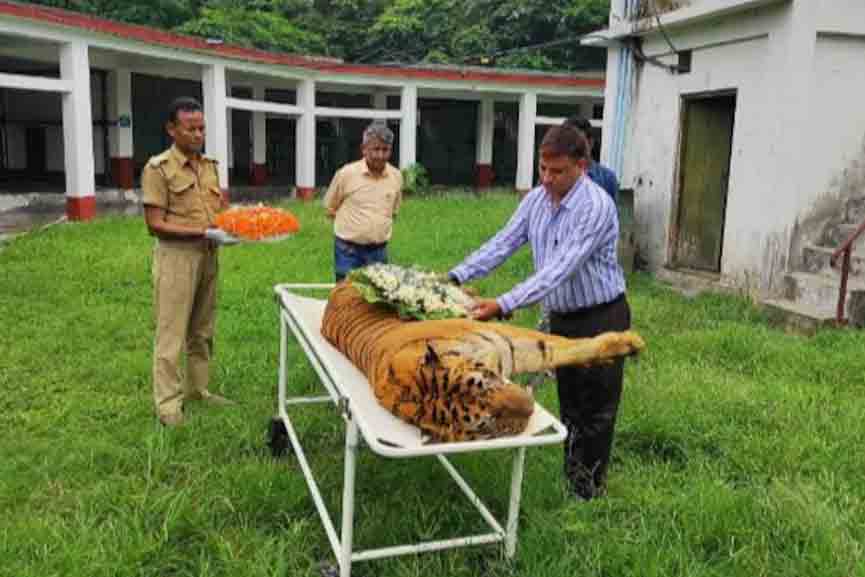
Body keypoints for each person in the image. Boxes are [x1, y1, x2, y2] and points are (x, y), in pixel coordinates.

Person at [448, 125, 631, 500]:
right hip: (563, 318)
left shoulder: (595, 206)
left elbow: (558, 269)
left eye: (557, 171)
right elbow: (503, 242)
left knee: (596, 408)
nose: (547, 179)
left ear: (582, 165)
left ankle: (588, 493)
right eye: (542, 169)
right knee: (571, 402)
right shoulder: (536, 200)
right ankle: (574, 476)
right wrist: (455, 276)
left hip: (601, 317)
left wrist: (503, 303)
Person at [141, 97, 236, 427]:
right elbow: (154, 223)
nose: (198, 134)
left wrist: (235, 225)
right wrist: (202, 230)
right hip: (177, 258)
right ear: (172, 129)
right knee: (172, 332)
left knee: (202, 329)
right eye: (191, 128)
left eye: (202, 128)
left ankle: (198, 390)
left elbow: (220, 209)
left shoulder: (210, 165)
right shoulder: (158, 168)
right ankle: (168, 405)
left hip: (209, 254)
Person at [323, 121, 403, 282]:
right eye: (376, 149)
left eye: (385, 150)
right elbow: (330, 207)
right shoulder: (346, 174)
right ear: (364, 149)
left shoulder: (396, 177)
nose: (380, 155)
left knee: (376, 299)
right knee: (346, 296)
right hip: (348, 250)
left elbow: (393, 211)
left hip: (379, 251)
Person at [563, 115, 619, 202]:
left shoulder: (607, 178)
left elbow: (612, 212)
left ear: (590, 143)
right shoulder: (553, 173)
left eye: (577, 142)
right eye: (568, 142)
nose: (572, 147)